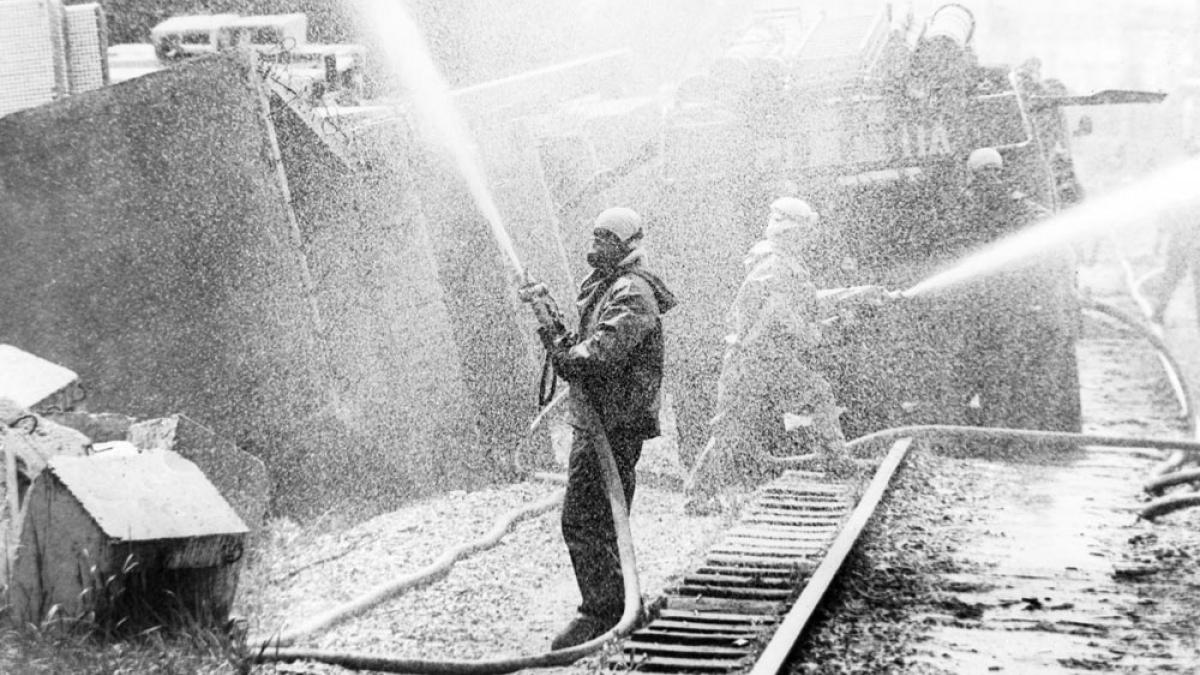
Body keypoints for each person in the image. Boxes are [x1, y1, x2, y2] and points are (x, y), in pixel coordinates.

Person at [541, 206, 676, 650]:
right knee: (600, 516)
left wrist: (565, 355)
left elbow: (598, 355)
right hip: (599, 417)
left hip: (614, 422)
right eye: (595, 235)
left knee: (583, 517)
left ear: (628, 245)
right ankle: (618, 604)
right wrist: (550, 321)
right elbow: (584, 347)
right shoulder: (605, 287)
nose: (596, 245)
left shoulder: (633, 292)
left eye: (606, 238)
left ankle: (601, 612)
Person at [683, 197, 857, 515]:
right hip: (752, 363)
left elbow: (803, 301)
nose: (808, 238)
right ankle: (697, 496)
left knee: (817, 394)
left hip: (769, 360)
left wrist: (854, 294)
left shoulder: (777, 262)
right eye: (804, 232)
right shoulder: (775, 266)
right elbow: (783, 314)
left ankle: (837, 462)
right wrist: (815, 332)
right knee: (731, 430)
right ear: (792, 233)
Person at [952, 147, 1081, 433]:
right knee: (1003, 374)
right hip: (997, 307)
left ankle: (1012, 435)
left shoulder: (1016, 208)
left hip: (1013, 306)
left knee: (1008, 374)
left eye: (991, 174)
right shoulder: (977, 209)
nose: (988, 181)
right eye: (982, 175)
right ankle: (1011, 434)